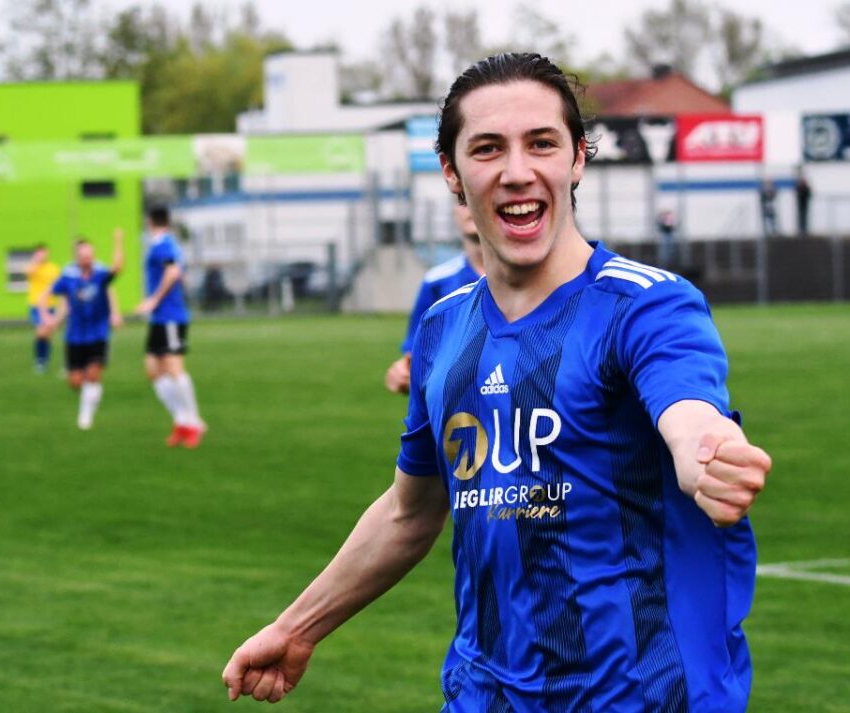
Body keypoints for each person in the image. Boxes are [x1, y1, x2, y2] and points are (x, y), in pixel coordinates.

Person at [222, 53, 772, 711]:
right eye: (488, 149)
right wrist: (296, 628)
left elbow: (689, 411)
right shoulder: (442, 328)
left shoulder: (646, 305)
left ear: (578, 159)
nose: (517, 171)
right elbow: (410, 511)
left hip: (642, 698)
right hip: (485, 695)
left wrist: (705, 453)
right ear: (451, 173)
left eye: (542, 143)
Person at [385, 202, 484, 395]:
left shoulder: (529, 277)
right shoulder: (436, 281)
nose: (470, 207)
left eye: (474, 199)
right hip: (458, 405)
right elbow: (416, 356)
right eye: (462, 200)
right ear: (454, 213)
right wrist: (405, 373)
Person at [38, 229, 124, 430]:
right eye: (83, 255)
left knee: (93, 373)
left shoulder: (100, 273)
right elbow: (46, 295)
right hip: (75, 335)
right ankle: (92, 394)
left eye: (89, 254)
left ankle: (85, 415)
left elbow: (116, 271)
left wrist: (118, 242)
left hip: (98, 332)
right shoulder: (68, 276)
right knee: (75, 382)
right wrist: (47, 318)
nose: (87, 258)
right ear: (77, 257)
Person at [136, 205, 205, 448]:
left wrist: (153, 300)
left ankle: (194, 422)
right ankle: (181, 420)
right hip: (160, 318)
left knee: (175, 369)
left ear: (150, 222)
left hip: (170, 317)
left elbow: (173, 272)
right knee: (154, 371)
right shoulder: (168, 244)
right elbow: (179, 273)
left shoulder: (163, 244)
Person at [26, 243, 61, 374]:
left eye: (44, 252)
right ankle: (40, 361)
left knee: (47, 334)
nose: (42, 255)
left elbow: (59, 285)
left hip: (50, 305)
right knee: (41, 332)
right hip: (36, 305)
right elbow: (28, 272)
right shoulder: (32, 266)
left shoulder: (53, 268)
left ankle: (44, 360)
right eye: (39, 252)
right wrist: (36, 261)